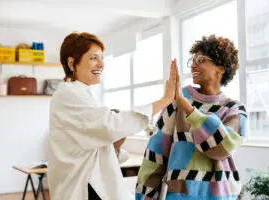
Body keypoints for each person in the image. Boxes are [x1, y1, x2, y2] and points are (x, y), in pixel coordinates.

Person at [47, 32, 178, 200]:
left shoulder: (81, 94)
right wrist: (164, 100)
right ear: (72, 63)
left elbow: (95, 138)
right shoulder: (69, 94)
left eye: (101, 58)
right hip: (83, 186)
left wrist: (114, 146)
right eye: (93, 58)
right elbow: (111, 125)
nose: (101, 64)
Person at [136, 35, 247, 200]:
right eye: (192, 60)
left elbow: (222, 148)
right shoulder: (177, 102)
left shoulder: (234, 109)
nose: (194, 64)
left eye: (201, 59)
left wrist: (187, 107)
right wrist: (144, 196)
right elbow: (155, 155)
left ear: (221, 68)